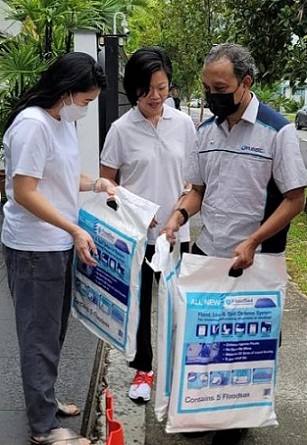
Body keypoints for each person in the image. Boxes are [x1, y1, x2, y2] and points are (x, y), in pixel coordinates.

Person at [163, 43, 307, 445]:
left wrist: (254, 241)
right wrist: (178, 216)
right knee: (204, 340)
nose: (212, 96)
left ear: (245, 83)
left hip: (257, 259)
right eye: (207, 88)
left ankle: (236, 415)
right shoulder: (204, 132)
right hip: (210, 253)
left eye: (220, 87)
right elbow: (197, 191)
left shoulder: (276, 131)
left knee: (247, 344)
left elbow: (296, 199)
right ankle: (204, 408)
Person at [1, 52, 115, 445]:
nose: (85, 109)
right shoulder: (33, 126)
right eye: (84, 101)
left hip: (56, 243)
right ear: (65, 93)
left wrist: (95, 183)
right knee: (38, 336)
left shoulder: (58, 120)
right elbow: (24, 191)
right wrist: (73, 228)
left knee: (53, 331)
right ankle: (43, 428)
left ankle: (44, 402)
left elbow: (61, 176)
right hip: (35, 248)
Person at [100, 46, 196, 403]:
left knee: (176, 304)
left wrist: (181, 206)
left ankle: (177, 371)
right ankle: (143, 368)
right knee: (139, 306)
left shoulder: (184, 125)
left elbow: (193, 180)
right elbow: (107, 184)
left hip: (175, 234)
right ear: (134, 89)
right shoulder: (121, 130)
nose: (156, 96)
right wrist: (132, 207)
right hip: (137, 235)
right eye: (148, 89)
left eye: (162, 87)